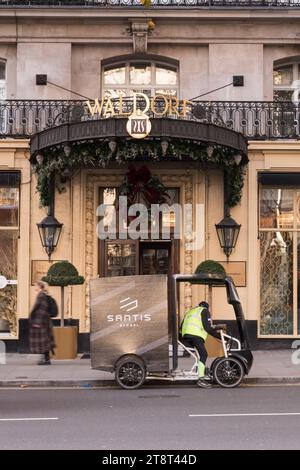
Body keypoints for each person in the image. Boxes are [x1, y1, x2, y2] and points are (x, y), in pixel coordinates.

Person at [181, 300, 223, 389]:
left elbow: (181, 326)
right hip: (195, 335)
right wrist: (220, 337)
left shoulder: (191, 311)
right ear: (207, 307)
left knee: (199, 355)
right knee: (204, 354)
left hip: (185, 335)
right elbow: (207, 327)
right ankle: (201, 379)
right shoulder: (204, 311)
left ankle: (200, 370)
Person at [29, 281, 56, 365]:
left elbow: (42, 310)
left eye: (36, 286)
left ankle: (45, 360)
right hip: (44, 322)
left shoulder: (41, 295)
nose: (35, 287)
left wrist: (37, 322)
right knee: (45, 340)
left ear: (40, 286)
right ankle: (46, 359)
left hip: (42, 322)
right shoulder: (43, 295)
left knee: (43, 341)